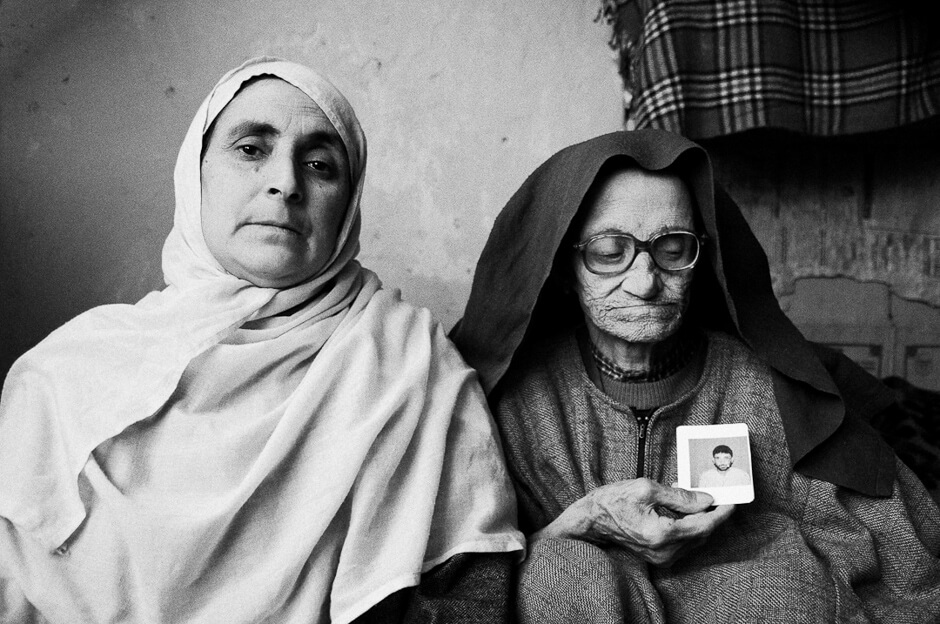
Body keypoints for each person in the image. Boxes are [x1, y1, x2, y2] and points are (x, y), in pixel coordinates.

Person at [0, 57, 523, 623]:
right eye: (251, 149)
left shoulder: (408, 359)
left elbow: (470, 592)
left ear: (347, 206)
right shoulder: (62, 376)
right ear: (194, 174)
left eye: (321, 165)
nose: (286, 183)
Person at [451, 129, 940, 623]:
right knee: (556, 573)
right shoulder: (517, 402)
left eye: (672, 248)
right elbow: (462, 581)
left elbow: (900, 555)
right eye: (608, 251)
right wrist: (581, 523)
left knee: (782, 581)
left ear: (701, 259)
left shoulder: (765, 388)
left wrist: (770, 550)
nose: (644, 283)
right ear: (563, 268)